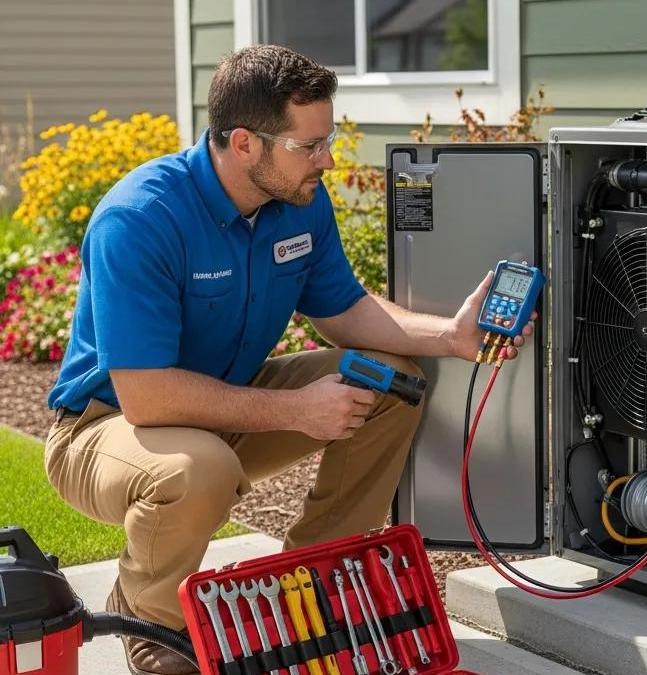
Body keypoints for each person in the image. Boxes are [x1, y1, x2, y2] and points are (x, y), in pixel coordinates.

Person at [43, 44, 533, 675]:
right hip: (104, 427)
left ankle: (309, 592)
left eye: (326, 141)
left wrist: (452, 338)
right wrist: (296, 410)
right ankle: (152, 623)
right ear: (244, 144)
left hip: (224, 401)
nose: (327, 160)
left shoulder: (298, 201)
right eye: (311, 146)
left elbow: (344, 309)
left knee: (392, 383)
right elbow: (146, 396)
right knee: (198, 469)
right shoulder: (141, 218)